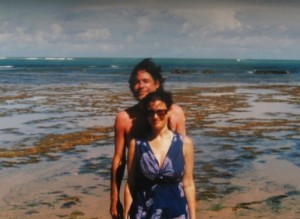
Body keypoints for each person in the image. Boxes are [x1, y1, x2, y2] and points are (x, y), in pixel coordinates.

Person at [110, 58, 186, 218]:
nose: (141, 86)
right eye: (136, 82)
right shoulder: (124, 119)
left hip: (172, 199)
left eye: (146, 81)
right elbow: (119, 160)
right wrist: (114, 197)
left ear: (157, 83)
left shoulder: (176, 114)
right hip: (140, 198)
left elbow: (183, 159)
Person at [124, 90, 196, 219]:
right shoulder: (137, 145)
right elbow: (130, 184)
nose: (155, 117)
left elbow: (189, 183)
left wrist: (193, 217)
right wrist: (125, 215)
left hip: (176, 212)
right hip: (143, 213)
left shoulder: (185, 143)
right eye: (150, 112)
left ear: (168, 112)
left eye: (160, 112)